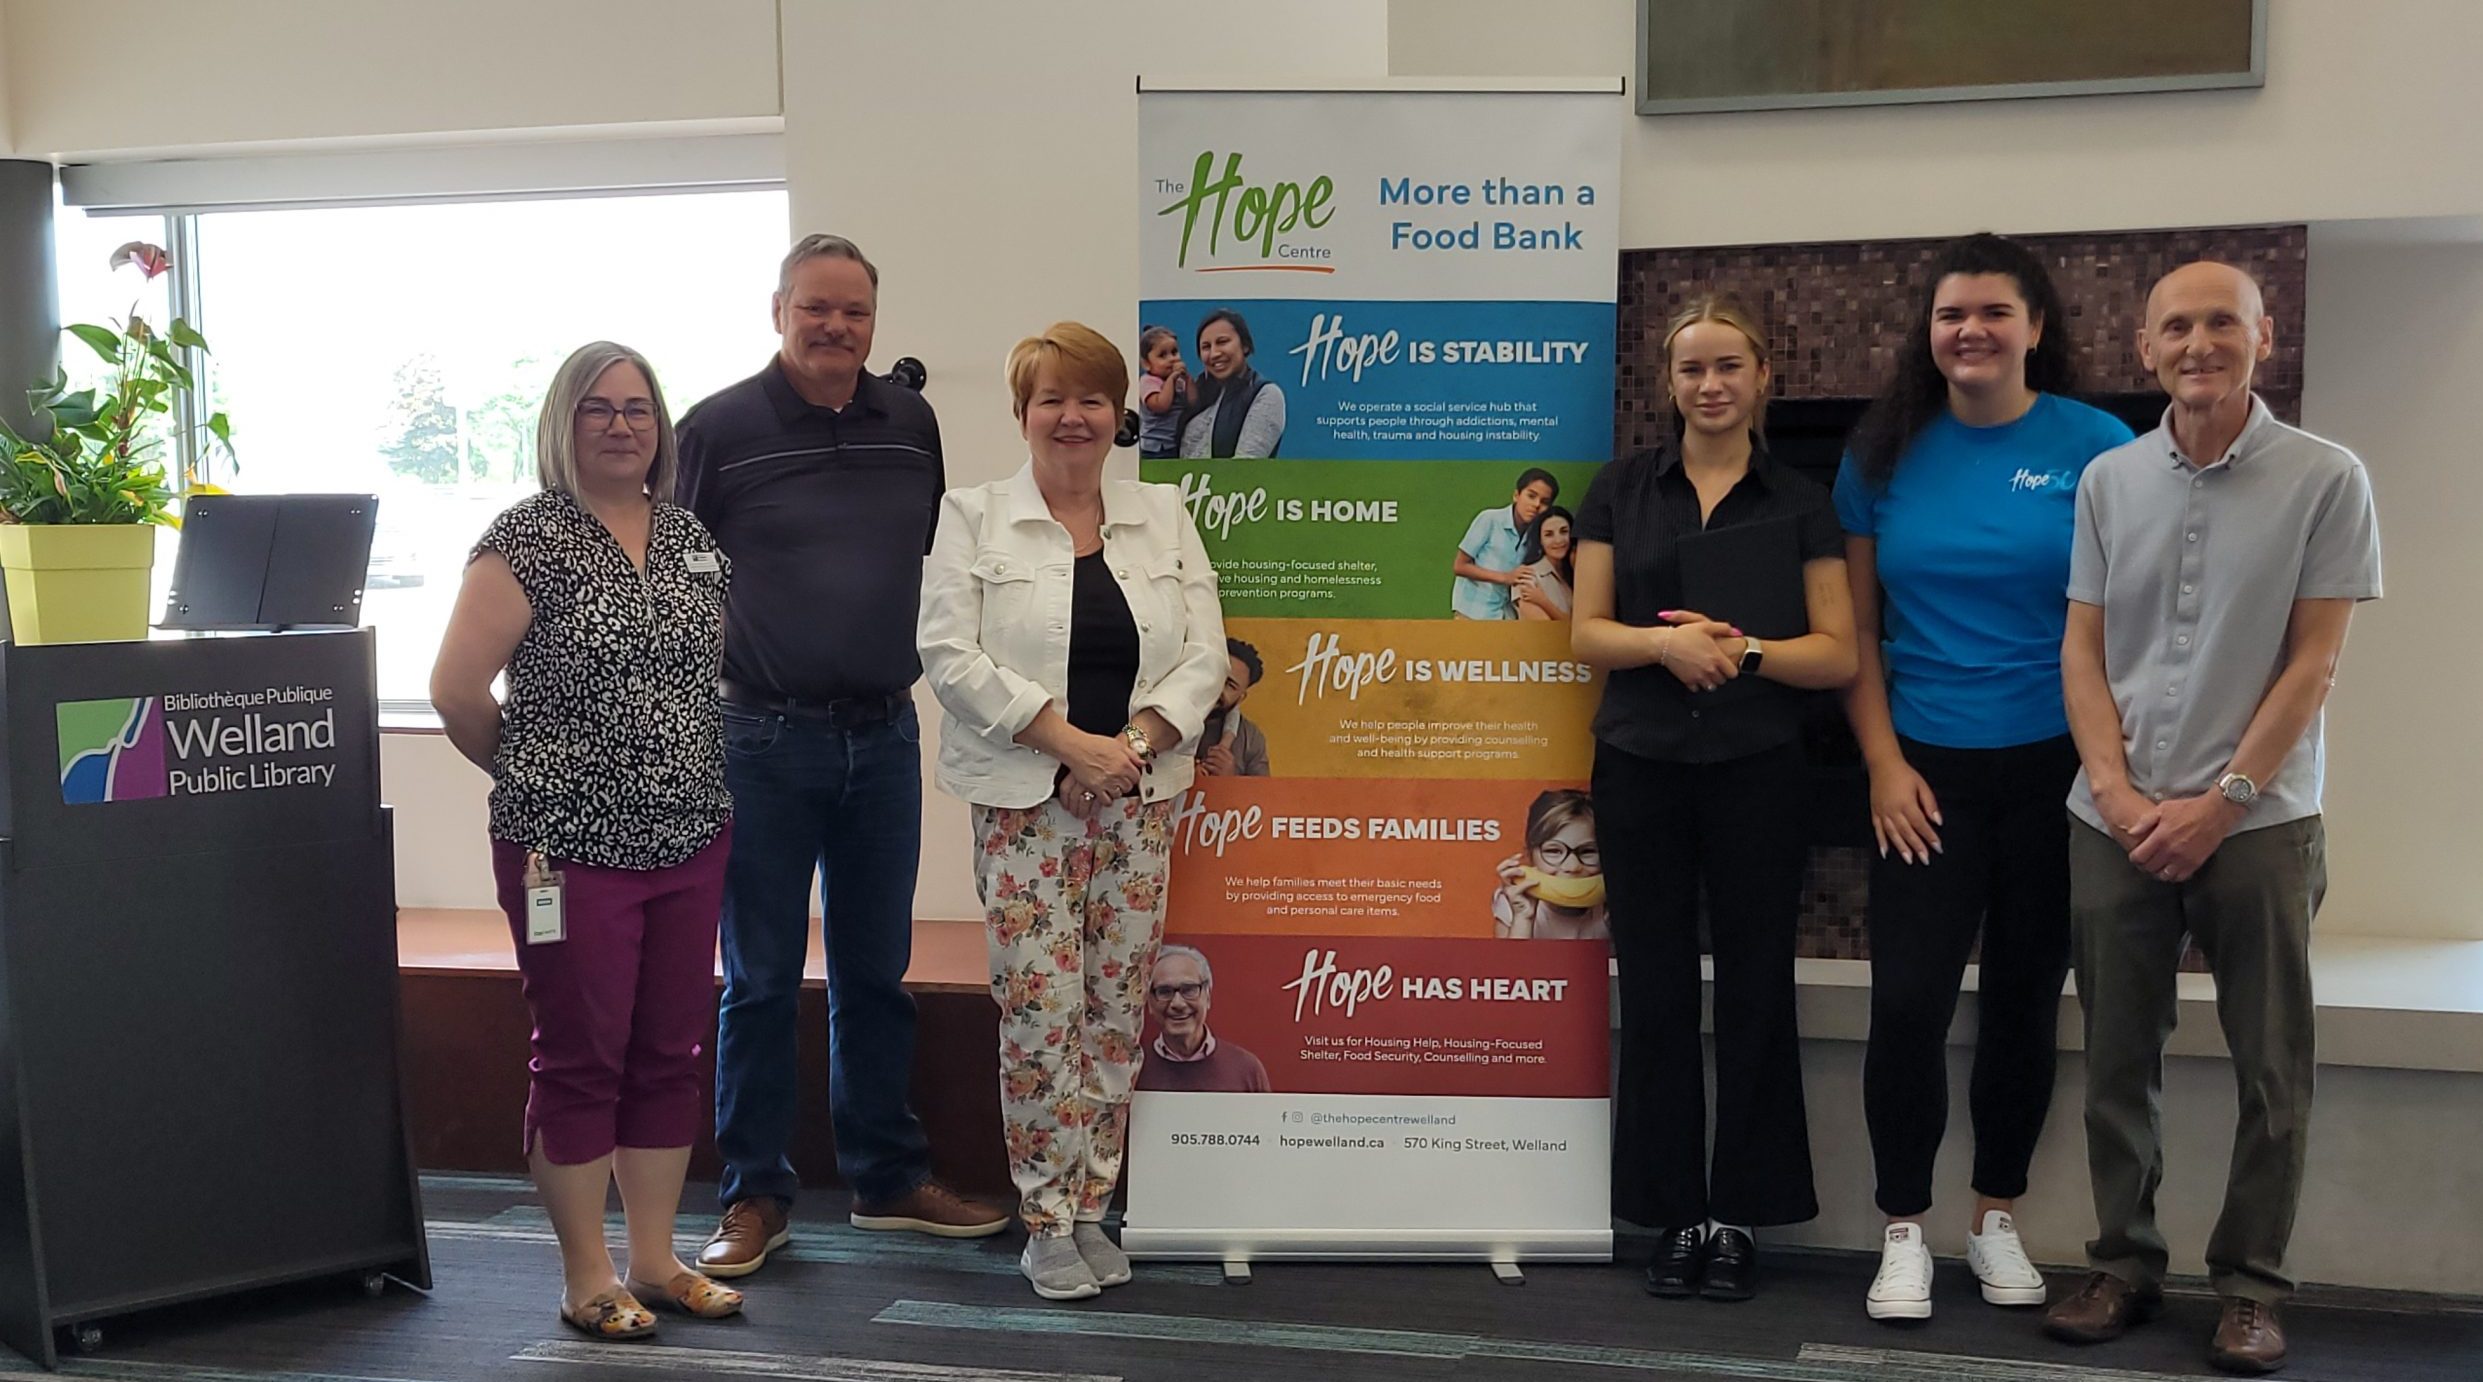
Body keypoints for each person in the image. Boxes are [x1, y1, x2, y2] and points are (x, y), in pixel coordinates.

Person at [2042, 262, 2380, 1376]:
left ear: (2261, 336)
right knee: (2114, 1058)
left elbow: (2313, 662)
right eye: (2175, 326)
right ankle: (2122, 1263)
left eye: (2219, 323)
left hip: (2260, 821)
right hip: (2114, 819)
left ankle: (2247, 1285)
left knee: (2271, 1064)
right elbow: (2080, 650)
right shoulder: (2104, 479)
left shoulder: (2325, 477)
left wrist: (2220, 800)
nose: (2198, 343)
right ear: (2143, 347)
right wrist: (2121, 792)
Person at [677, 234, 1006, 1279]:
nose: (835, 328)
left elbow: (928, 564)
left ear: (875, 320)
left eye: (854, 312)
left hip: (885, 732)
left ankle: (886, 1175)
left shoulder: (910, 422)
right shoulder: (716, 429)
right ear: (778, 310)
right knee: (761, 976)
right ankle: (754, 1196)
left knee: (876, 972)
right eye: (815, 308)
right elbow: (672, 581)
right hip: (759, 738)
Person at [1833, 233, 2137, 1323]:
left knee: (2020, 998)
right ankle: (1902, 1228)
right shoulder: (1878, 454)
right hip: (1922, 774)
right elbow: (1858, 628)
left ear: (2034, 327)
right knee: (1906, 1002)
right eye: (1949, 313)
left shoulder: (2097, 447)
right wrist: (1879, 760)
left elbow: (2121, 622)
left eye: (1991, 312)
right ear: (1928, 333)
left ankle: (1994, 1214)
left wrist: (2109, 770)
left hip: (2056, 774)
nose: (1968, 330)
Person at [429, 341, 744, 1340]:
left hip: (691, 835)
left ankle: (653, 1257)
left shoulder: (693, 537)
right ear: (561, 426)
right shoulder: (523, 541)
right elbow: (453, 689)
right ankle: (585, 1274)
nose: (621, 424)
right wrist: (536, 779)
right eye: (597, 408)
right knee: (580, 1057)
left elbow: (703, 680)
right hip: (565, 850)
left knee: (667, 1050)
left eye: (638, 407)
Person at [917, 321, 1227, 1301]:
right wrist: (1066, 747)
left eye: (1090, 397)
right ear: (1021, 415)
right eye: (1050, 398)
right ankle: (1045, 1216)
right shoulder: (970, 516)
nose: (1071, 415)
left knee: (1112, 1009)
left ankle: (1091, 1204)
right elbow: (949, 655)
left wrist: (1126, 749)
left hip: (1136, 801)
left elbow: (1205, 656)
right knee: (1041, 1009)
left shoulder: (1163, 515)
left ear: (1116, 414)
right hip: (1024, 803)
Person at [1573, 297, 1856, 1303]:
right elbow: (1585, 631)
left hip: (1754, 767)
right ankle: (1670, 1210)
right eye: (1690, 368)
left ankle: (1737, 1213)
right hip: (1640, 761)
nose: (1708, 384)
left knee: (1750, 989)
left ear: (1761, 374)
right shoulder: (1620, 487)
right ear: (1668, 382)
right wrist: (1664, 644)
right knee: (1650, 991)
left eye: (1726, 365)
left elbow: (1836, 652)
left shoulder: (1799, 497)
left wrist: (1740, 650)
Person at [1133, 946, 1272, 1093]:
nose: (1177, 1004)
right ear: (1149, 1002)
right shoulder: (1133, 1069)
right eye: (1164, 992)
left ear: (1208, 996)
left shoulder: (1247, 1069)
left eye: (1188, 990)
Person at [1491, 788, 1608, 940]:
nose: (1572, 867)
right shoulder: (1514, 900)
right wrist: (1523, 917)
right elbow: (1509, 964)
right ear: (1530, 853)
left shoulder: (1610, 907)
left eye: (1587, 851)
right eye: (1553, 851)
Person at [1452, 468, 1559, 620]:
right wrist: (1505, 577)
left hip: (1505, 617)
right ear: (1516, 495)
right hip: (1471, 612)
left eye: (1544, 502)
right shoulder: (1490, 519)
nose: (1536, 505)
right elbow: (1460, 566)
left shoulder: (1537, 536)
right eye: (1531, 496)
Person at [1177, 308, 1285, 458]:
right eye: (1206, 347)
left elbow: (1244, 466)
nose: (1214, 354)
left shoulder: (1265, 394)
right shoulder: (1193, 394)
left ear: (1245, 345)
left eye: (1222, 342)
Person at [1199, 637, 1271, 777]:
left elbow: (1262, 795)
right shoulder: (1168, 715)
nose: (1218, 688)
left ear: (1240, 698)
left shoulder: (1251, 738)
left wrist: (1230, 780)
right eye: (1216, 676)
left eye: (1230, 685)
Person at [1136, 325, 1189, 461]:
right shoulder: (1148, 382)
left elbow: (1193, 401)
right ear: (1147, 364)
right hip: (1157, 448)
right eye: (1162, 355)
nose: (1171, 359)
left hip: (1176, 443)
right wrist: (1171, 380)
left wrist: (1187, 377)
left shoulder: (1179, 380)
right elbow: (1161, 405)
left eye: (1174, 352)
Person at [1516, 504, 1577, 620]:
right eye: (1549, 534)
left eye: (1564, 532)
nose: (1558, 540)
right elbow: (1545, 627)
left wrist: (1543, 601)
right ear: (1540, 540)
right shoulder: (1528, 576)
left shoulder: (1576, 575)